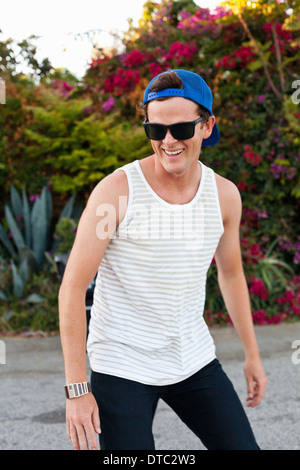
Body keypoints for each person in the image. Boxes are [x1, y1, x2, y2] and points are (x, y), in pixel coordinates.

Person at [59, 69, 267, 451]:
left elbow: (232, 274)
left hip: (193, 359)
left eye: (182, 129)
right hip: (122, 366)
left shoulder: (224, 196)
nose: (168, 141)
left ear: (207, 126)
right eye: (156, 130)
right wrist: (77, 390)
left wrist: (252, 356)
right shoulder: (117, 192)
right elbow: (72, 288)